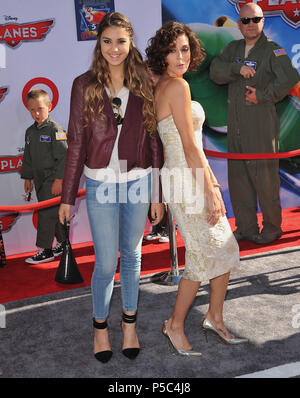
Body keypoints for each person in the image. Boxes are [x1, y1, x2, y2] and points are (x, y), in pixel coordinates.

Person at [59, 12, 164, 363]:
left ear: (130, 42)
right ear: (98, 43)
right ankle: (100, 328)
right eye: (107, 41)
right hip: (101, 184)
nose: (114, 48)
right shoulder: (83, 84)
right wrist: (67, 197)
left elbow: (153, 138)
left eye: (121, 41)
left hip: (137, 181)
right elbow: (75, 143)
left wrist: (157, 193)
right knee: (105, 263)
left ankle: (129, 324)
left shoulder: (143, 82)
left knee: (133, 257)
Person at [146, 21, 248, 356]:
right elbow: (190, 147)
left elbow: (194, 149)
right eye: (173, 50)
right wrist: (209, 189)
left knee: (225, 249)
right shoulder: (176, 87)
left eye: (185, 49)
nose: (180, 56)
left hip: (188, 175)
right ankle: (174, 324)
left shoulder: (168, 85)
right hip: (187, 180)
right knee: (203, 256)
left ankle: (214, 317)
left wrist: (211, 183)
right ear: (162, 53)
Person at [209, 3, 300, 245]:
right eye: (245, 20)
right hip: (235, 126)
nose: (250, 24)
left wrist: (263, 95)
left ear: (262, 22)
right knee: (239, 180)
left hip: (261, 126)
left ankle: (272, 228)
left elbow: (290, 78)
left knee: (266, 181)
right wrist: (237, 68)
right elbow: (216, 71)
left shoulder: (272, 51)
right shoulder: (232, 48)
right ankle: (246, 227)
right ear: (238, 24)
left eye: (255, 19)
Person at [21, 89, 67, 264]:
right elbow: (28, 157)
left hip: (53, 180)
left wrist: (59, 180)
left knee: (46, 215)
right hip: (40, 181)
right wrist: (27, 178)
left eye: (40, 108)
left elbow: (64, 156)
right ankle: (63, 243)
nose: (36, 113)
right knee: (53, 214)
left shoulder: (56, 130)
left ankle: (45, 249)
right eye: (32, 110)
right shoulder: (30, 132)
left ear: (50, 106)